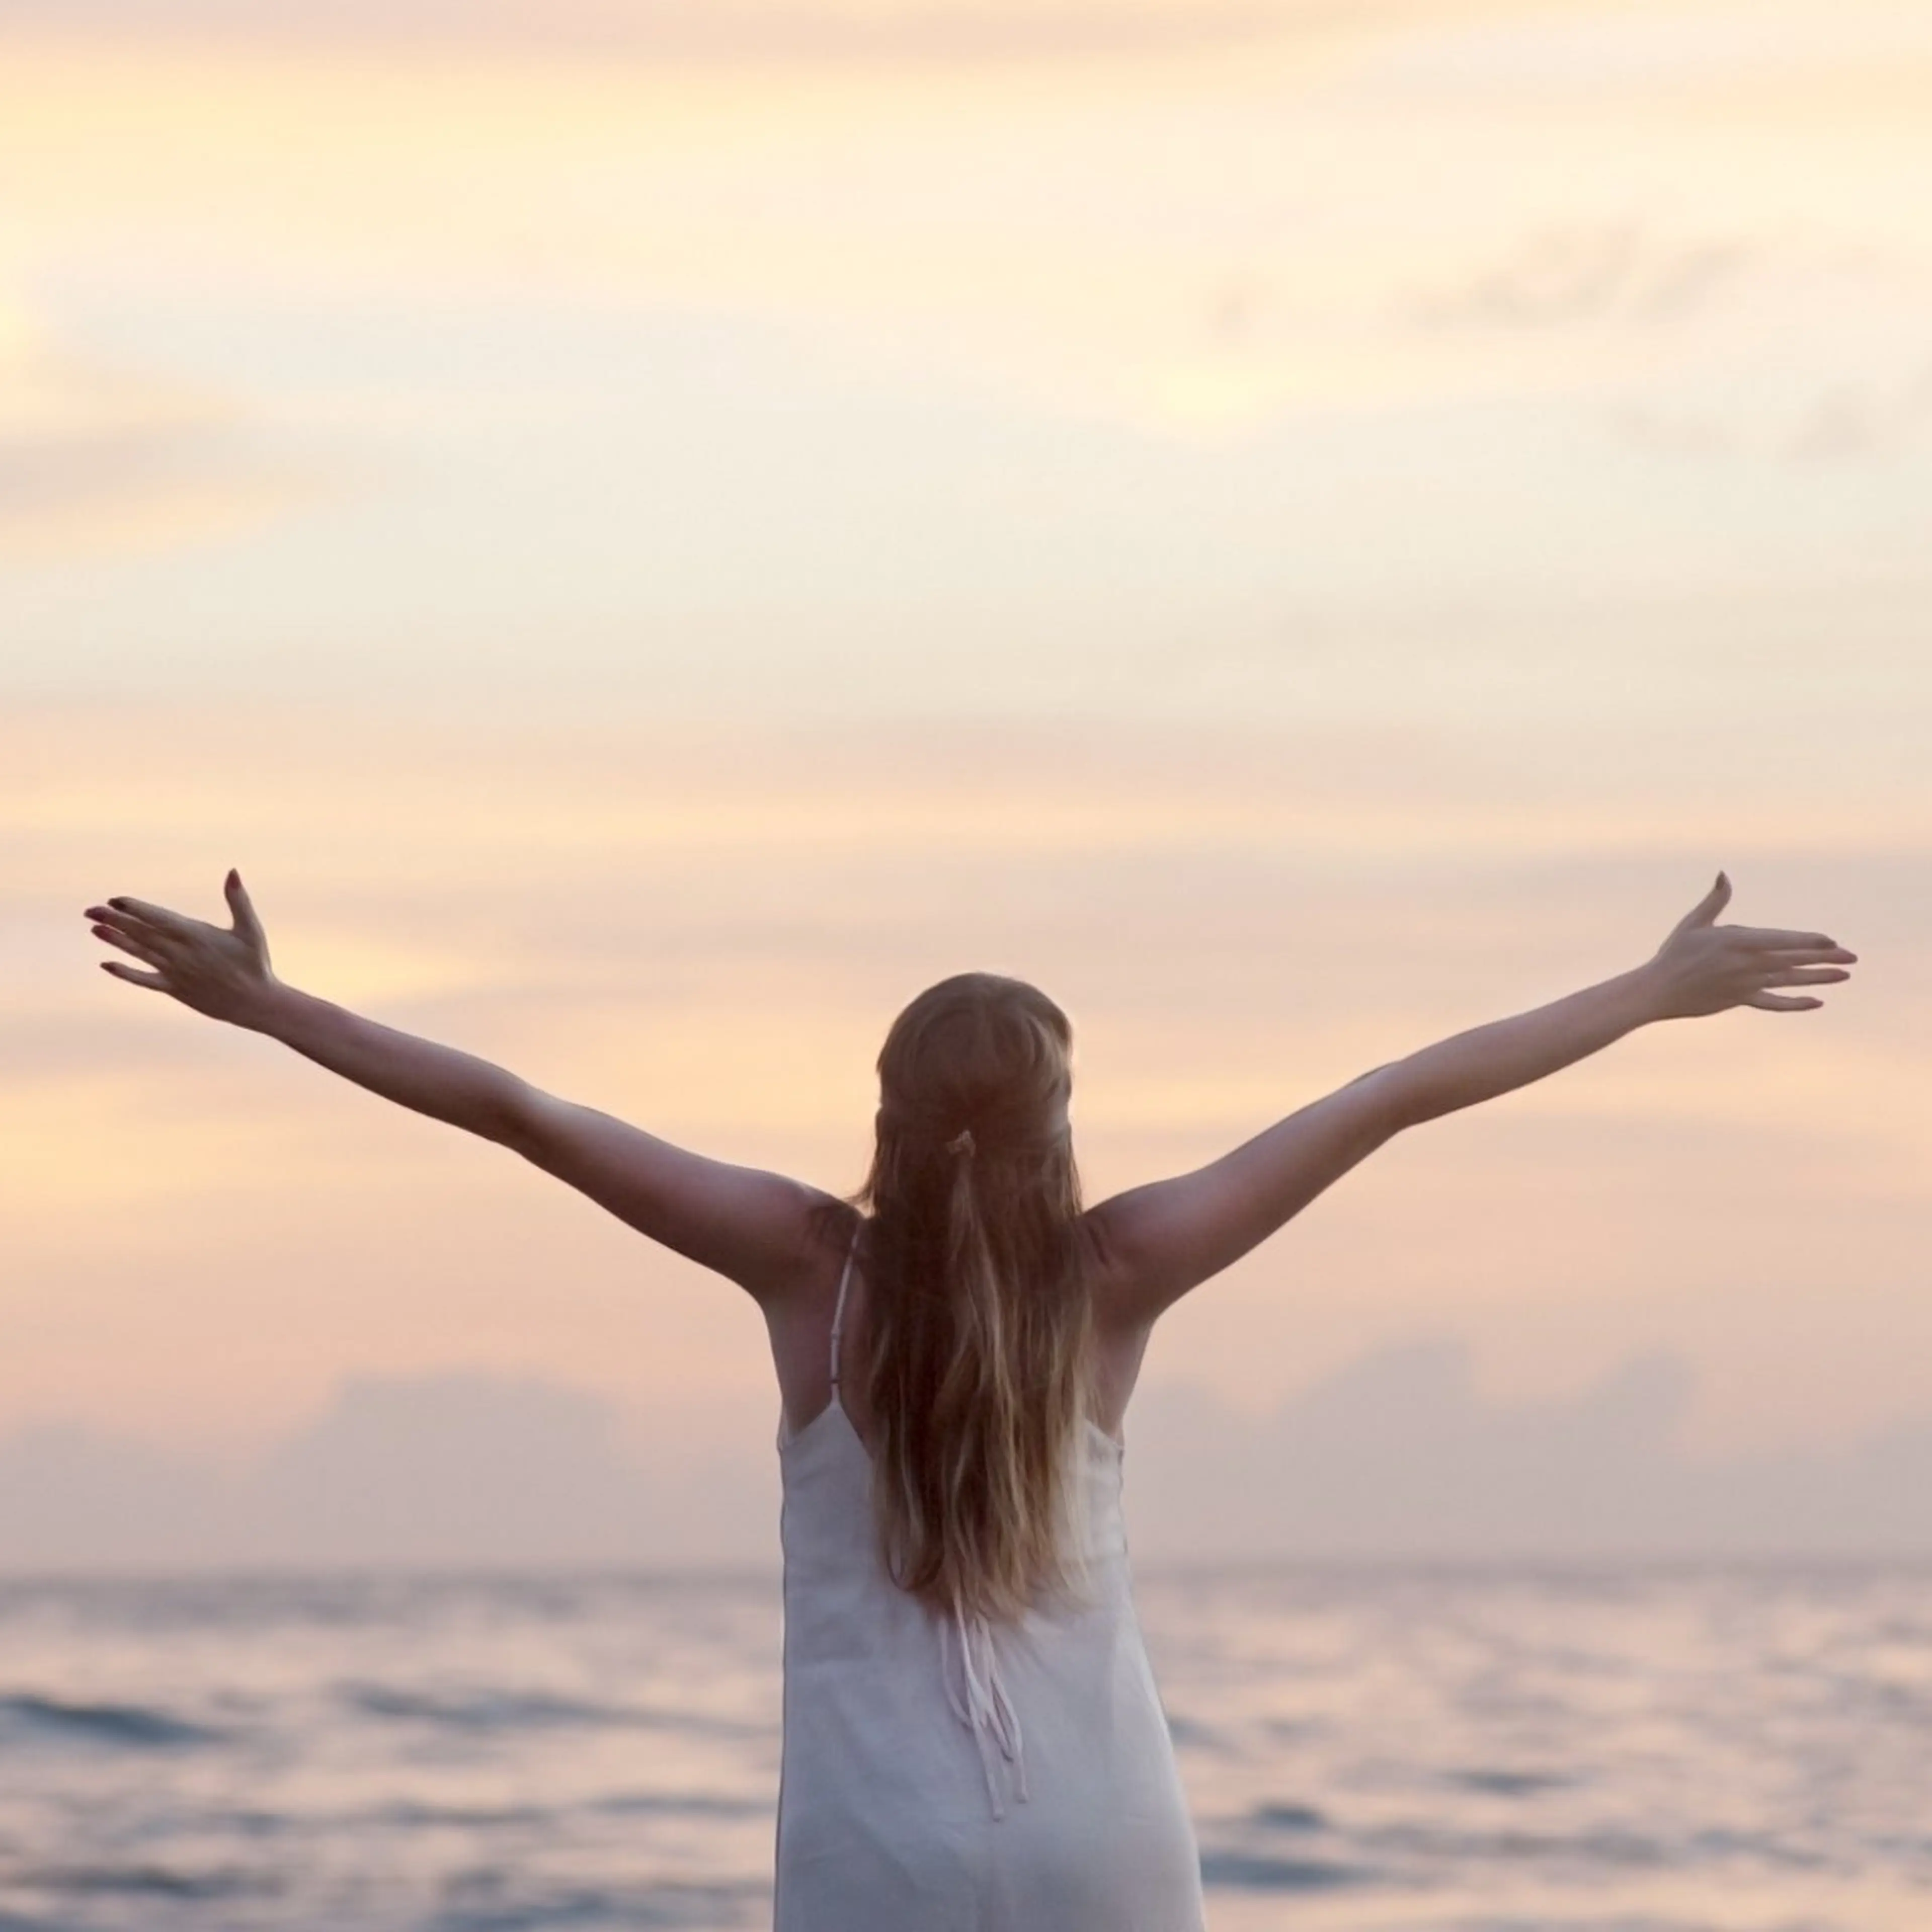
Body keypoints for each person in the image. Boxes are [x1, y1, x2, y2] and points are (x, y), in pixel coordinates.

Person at [82, 868, 1856, 1928]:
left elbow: (522, 1110)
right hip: (1104, 1830)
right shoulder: (1125, 1267)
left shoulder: (802, 1267)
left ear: (885, 1098)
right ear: (1061, 1116)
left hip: (879, 1849)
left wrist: (271, 1008)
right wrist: (1644, 994)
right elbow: (1391, 1092)